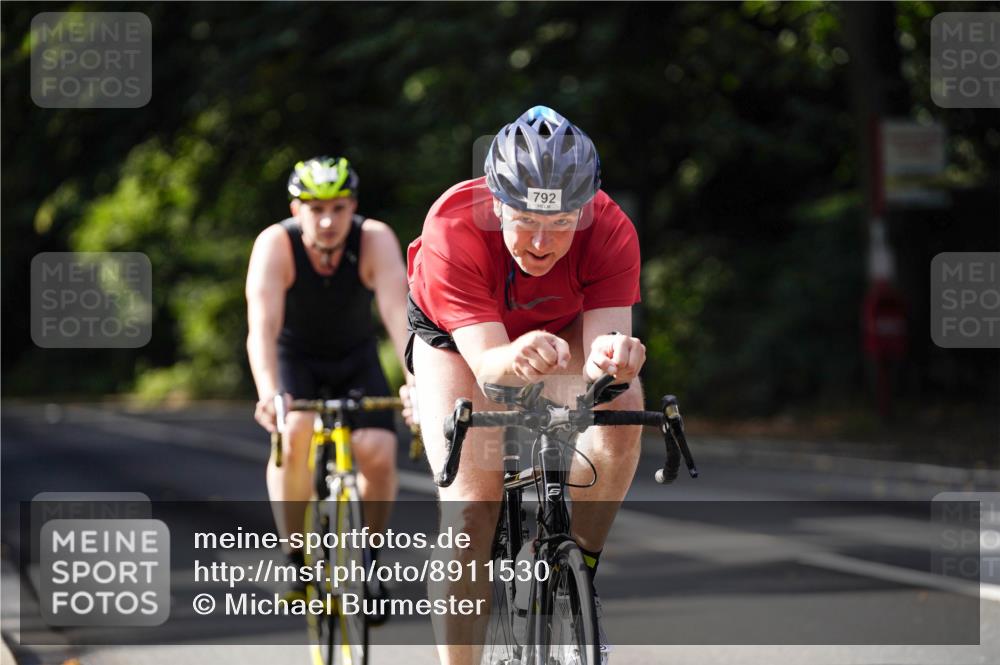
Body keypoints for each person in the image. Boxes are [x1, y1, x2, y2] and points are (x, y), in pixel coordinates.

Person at [404, 106, 645, 664]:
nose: (541, 243)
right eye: (525, 221)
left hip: (559, 332)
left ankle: (579, 566)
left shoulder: (611, 228)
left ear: (584, 211)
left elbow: (604, 356)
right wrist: (513, 354)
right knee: (469, 512)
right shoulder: (454, 226)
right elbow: (489, 365)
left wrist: (615, 360)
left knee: (623, 401)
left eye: (562, 223)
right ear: (496, 203)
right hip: (457, 344)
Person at [246, 156, 411, 616]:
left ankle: (370, 561)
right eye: (315, 207)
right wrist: (268, 391)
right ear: (296, 209)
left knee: (378, 450)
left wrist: (415, 382)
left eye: (339, 208)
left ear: (352, 206)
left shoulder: (374, 239)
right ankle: (296, 560)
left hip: (356, 357)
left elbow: (399, 319)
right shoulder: (275, 244)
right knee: (294, 432)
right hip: (294, 359)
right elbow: (262, 327)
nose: (327, 220)